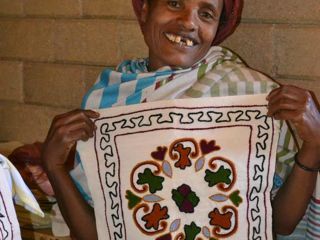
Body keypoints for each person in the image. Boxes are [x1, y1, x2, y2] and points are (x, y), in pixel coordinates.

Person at [41, 0, 320, 239]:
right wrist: (55, 167)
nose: (188, 22)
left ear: (217, 29)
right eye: (174, 2)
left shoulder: (250, 94)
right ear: (145, 10)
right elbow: (101, 232)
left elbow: (279, 223)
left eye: (206, 13)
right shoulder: (108, 102)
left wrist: (314, 145)